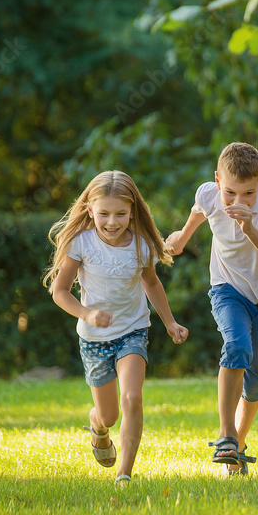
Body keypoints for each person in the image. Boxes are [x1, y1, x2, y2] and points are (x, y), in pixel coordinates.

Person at [44, 170, 188, 486]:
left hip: (132, 330)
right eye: (104, 213)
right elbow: (60, 292)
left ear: (133, 211)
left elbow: (151, 282)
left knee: (132, 397)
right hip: (94, 339)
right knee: (108, 415)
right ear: (90, 210)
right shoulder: (81, 243)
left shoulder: (142, 246)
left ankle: (124, 473)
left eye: (121, 213)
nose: (112, 221)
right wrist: (86, 314)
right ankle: (97, 427)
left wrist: (170, 322)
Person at [166, 142, 258, 476]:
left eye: (249, 193)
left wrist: (250, 227)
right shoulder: (209, 194)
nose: (239, 202)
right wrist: (180, 239)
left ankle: (237, 444)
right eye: (230, 193)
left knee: (254, 381)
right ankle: (226, 435)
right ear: (217, 181)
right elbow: (198, 213)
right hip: (227, 289)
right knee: (236, 346)